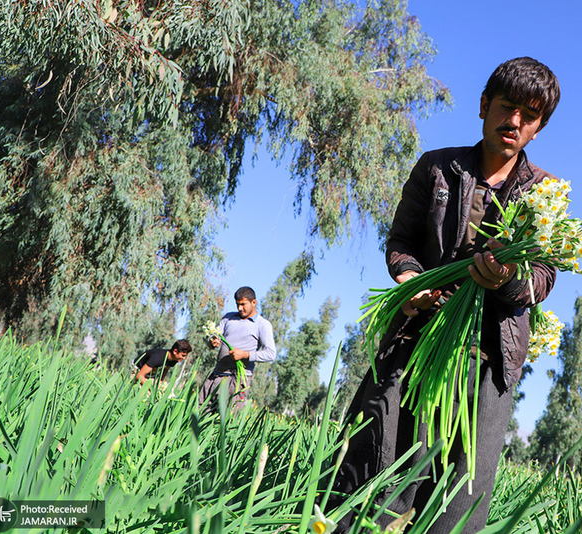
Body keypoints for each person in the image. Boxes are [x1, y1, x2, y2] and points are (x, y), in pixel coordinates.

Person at [332, 57, 561, 534]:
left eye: (529, 115)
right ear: (484, 105)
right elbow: (400, 242)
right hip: (416, 334)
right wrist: (410, 282)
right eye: (507, 106)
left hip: (488, 354)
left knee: (461, 490)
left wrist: (507, 280)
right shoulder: (437, 167)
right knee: (376, 457)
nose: (514, 121)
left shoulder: (547, 194)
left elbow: (542, 277)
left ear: (538, 129)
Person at [199, 286, 276, 414]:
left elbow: (270, 354)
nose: (240, 308)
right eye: (237, 304)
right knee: (200, 411)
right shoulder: (228, 318)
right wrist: (213, 341)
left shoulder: (262, 325)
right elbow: (214, 337)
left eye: (243, 304)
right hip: (217, 375)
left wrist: (244, 354)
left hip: (238, 380)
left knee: (228, 418)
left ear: (254, 302)